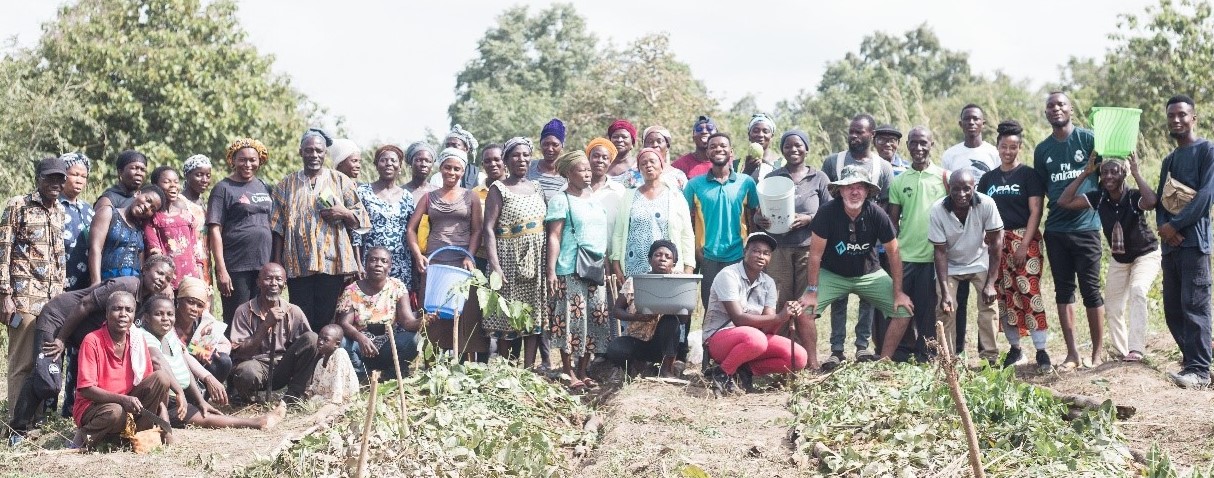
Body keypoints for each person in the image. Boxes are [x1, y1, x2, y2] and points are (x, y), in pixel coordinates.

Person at [798, 165, 915, 366]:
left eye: (860, 187)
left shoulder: (877, 214)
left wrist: (898, 292)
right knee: (804, 311)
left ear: (867, 191)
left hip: (868, 274)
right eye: (849, 186)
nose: (854, 192)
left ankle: (884, 361)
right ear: (840, 190)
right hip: (832, 273)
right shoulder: (826, 213)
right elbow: (815, 255)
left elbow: (894, 254)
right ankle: (813, 365)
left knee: (904, 310)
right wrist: (812, 290)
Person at [37, 255, 175, 423]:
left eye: (167, 278)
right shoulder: (127, 285)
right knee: (47, 380)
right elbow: (85, 305)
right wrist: (60, 339)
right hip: (59, 318)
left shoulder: (147, 301)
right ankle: (19, 427)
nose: (162, 280)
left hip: (80, 329)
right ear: (145, 270)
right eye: (159, 273)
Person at [1058, 155, 1160, 362]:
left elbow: (1151, 202)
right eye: (1104, 172)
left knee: (1138, 290)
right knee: (1113, 307)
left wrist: (1137, 172)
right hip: (1120, 259)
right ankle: (1123, 352)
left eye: (1114, 171)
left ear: (1123, 174)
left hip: (1145, 255)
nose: (1109, 176)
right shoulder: (1099, 198)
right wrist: (1085, 173)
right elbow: (1064, 201)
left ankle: (1136, 349)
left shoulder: (1132, 197)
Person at [271, 128, 370, 332]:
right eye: (309, 150)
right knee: (300, 318)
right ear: (301, 152)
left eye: (318, 151)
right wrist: (278, 263)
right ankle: (304, 360)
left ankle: (324, 362)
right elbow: (277, 228)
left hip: (332, 264)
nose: (314, 155)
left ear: (325, 153)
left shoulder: (340, 181)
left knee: (327, 318)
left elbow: (361, 221)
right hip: (298, 264)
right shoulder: (285, 185)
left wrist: (343, 213)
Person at [1035, 92, 1106, 368]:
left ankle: (1097, 353)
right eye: (1051, 106)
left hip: (1087, 227)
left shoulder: (1088, 139)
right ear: (1046, 113)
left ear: (1071, 109)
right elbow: (1042, 193)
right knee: (1064, 291)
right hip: (1056, 230)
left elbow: (1108, 172)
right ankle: (1072, 354)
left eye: (1061, 104)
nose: (1056, 109)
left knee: (1091, 290)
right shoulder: (1042, 150)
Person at [139, 295, 285, 430]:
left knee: (206, 415)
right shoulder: (144, 336)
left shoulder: (169, 333)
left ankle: (259, 422)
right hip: (158, 400)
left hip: (177, 398)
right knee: (204, 419)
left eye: (170, 314)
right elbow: (158, 361)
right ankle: (258, 422)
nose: (165, 318)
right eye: (159, 314)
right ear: (146, 317)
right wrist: (179, 393)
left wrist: (200, 401)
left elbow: (184, 367)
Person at [975, 120, 1051, 371]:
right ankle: (1015, 348)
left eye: (1013, 147)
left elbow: (1035, 211)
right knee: (1003, 296)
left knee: (1029, 293)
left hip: (1023, 240)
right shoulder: (988, 179)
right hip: (997, 242)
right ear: (997, 147)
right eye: (1004, 146)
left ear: (1019, 147)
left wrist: (1023, 245)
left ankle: (1042, 351)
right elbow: (981, 212)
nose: (1008, 151)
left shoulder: (1029, 175)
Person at [821, 114, 895, 368]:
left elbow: (886, 202)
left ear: (871, 135)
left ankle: (862, 347)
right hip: (837, 238)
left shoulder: (882, 167)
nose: (854, 136)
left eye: (860, 132)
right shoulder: (833, 161)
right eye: (851, 131)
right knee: (839, 297)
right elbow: (826, 197)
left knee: (867, 295)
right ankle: (836, 349)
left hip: (869, 239)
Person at [1, 157, 67, 427]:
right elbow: (3, 250)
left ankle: (35, 420)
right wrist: (4, 295)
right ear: (38, 178)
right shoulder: (18, 205)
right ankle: (15, 424)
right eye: (49, 177)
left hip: (52, 301)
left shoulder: (59, 210)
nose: (55, 183)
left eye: (59, 178)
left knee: (43, 360)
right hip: (24, 296)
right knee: (23, 362)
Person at [1155, 95, 1214, 389]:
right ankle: (1197, 361)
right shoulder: (1169, 160)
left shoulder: (1207, 150)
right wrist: (1164, 228)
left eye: (1181, 115)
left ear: (1194, 118)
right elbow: (1160, 202)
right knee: (1173, 309)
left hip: (1195, 244)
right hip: (1171, 247)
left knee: (1195, 306)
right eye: (1171, 116)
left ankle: (1199, 371)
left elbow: (1205, 197)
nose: (1176, 120)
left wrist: (1175, 226)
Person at [407, 147, 487, 355]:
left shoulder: (471, 197)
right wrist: (418, 255)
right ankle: (431, 360)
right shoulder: (428, 197)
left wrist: (469, 255)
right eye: (447, 168)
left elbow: (477, 230)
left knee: (463, 311)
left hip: (462, 262)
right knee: (434, 311)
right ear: (440, 169)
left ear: (463, 171)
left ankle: (463, 362)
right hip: (435, 262)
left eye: (457, 169)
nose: (452, 172)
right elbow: (411, 229)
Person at [545, 151, 615, 390]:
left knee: (594, 319)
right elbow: (554, 237)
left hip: (594, 267)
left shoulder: (593, 197)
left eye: (588, 169)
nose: (587, 173)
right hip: (569, 267)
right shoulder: (560, 200)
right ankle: (568, 371)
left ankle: (584, 370)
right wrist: (551, 271)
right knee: (571, 321)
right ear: (568, 174)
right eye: (581, 170)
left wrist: (605, 265)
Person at [69, 291, 174, 449]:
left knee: (161, 378)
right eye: (117, 309)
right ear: (107, 313)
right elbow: (86, 389)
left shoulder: (137, 339)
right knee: (115, 412)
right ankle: (85, 437)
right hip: (97, 406)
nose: (123, 314)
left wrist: (164, 420)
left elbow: (149, 387)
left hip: (128, 403)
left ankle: (135, 435)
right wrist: (122, 400)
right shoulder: (92, 340)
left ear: (134, 314)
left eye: (129, 310)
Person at [705, 232, 808, 393]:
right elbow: (738, 319)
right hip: (719, 338)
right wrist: (778, 316)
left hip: (753, 342)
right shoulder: (728, 275)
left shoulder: (768, 283)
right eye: (756, 251)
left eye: (766, 253)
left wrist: (784, 315)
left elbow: (768, 328)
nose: (761, 256)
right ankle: (722, 373)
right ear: (745, 252)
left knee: (799, 357)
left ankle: (745, 371)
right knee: (756, 339)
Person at [940, 104, 1001, 356]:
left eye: (976, 119)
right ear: (961, 123)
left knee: (988, 298)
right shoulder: (951, 154)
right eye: (967, 119)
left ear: (983, 123)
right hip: (958, 229)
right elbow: (947, 187)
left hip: (984, 226)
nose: (972, 123)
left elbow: (997, 182)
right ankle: (954, 353)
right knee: (956, 303)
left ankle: (988, 353)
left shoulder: (992, 152)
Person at [482, 137, 548, 367]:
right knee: (506, 316)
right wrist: (496, 267)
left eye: (525, 155)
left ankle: (528, 370)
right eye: (515, 156)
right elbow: (488, 228)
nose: (521, 159)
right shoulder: (498, 189)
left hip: (536, 261)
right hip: (507, 259)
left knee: (531, 314)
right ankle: (506, 370)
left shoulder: (537, 187)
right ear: (507, 161)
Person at [885, 127, 949, 363]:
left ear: (931, 144)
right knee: (902, 307)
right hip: (906, 255)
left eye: (923, 143)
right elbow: (892, 221)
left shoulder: (944, 178)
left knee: (928, 309)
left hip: (934, 256)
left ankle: (928, 354)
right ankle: (902, 352)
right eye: (913, 143)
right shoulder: (900, 181)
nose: (918, 148)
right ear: (908, 146)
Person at [930, 170, 1004, 364]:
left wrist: (990, 284)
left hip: (979, 261)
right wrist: (945, 292)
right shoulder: (938, 209)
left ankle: (990, 358)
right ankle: (948, 359)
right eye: (956, 189)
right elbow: (940, 252)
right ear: (949, 189)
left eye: (966, 189)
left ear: (974, 188)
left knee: (989, 305)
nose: (961, 194)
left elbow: (996, 244)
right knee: (945, 308)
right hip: (951, 266)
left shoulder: (987, 204)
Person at [684, 133, 760, 308]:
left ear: (731, 151)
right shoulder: (694, 184)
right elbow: (684, 220)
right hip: (707, 256)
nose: (718, 149)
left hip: (738, 255)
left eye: (723, 146)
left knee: (740, 307)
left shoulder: (746, 183)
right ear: (708, 153)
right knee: (711, 307)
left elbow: (754, 217)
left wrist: (752, 249)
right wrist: (694, 250)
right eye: (713, 146)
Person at [755, 130, 831, 305]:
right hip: (778, 249)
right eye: (787, 146)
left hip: (809, 250)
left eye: (798, 145)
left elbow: (830, 213)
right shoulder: (772, 178)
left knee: (804, 302)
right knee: (778, 299)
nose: (793, 149)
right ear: (782, 150)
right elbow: (759, 213)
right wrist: (759, 221)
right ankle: (779, 333)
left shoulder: (819, 178)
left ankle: (800, 333)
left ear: (807, 148)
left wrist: (809, 219)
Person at [229, 262, 320, 403]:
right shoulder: (244, 311)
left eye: (278, 279)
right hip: (256, 365)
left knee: (312, 339)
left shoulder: (293, 311)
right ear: (258, 282)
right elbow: (240, 353)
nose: (273, 283)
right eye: (268, 279)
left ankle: (293, 395)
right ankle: (250, 398)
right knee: (245, 372)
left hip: (282, 366)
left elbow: (309, 346)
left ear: (285, 283)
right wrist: (265, 325)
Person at [209, 138, 274, 326]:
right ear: (233, 160)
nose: (248, 164)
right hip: (237, 265)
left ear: (260, 161)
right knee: (238, 316)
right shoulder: (223, 188)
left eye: (252, 160)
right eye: (242, 159)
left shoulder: (264, 186)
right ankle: (235, 354)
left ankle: (257, 354)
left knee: (262, 315)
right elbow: (215, 229)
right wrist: (221, 269)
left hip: (263, 264)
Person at [336, 247, 423, 380]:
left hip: (386, 349)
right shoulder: (352, 290)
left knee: (413, 340)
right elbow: (344, 323)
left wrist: (423, 321)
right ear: (365, 264)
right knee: (341, 342)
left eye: (384, 261)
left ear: (389, 267)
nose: (378, 264)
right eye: (373, 260)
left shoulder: (397, 287)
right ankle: (360, 376)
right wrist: (361, 338)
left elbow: (407, 322)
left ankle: (389, 376)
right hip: (359, 348)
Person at [611, 147, 696, 278]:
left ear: (661, 166)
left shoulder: (675, 197)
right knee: (634, 299)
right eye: (643, 163)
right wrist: (616, 264)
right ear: (639, 169)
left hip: (668, 270)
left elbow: (687, 235)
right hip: (633, 268)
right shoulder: (628, 196)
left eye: (652, 161)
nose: (648, 165)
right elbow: (618, 233)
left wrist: (689, 267)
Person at [607, 240, 687, 378]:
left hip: (662, 343)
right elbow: (617, 310)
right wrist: (637, 317)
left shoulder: (678, 283)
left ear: (673, 263)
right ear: (650, 260)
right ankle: (635, 368)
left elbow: (684, 319)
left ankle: (667, 369)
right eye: (658, 255)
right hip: (637, 340)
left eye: (668, 257)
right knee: (616, 348)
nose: (662, 259)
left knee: (670, 320)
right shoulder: (635, 281)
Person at [355, 144, 417, 290]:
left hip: (400, 264)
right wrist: (358, 262)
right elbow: (356, 230)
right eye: (384, 160)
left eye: (393, 161)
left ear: (400, 166)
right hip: (371, 264)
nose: (389, 163)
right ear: (376, 165)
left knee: (398, 306)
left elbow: (410, 231)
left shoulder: (407, 197)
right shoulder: (363, 192)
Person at [88, 185, 168, 284]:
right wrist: (95, 282)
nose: (147, 207)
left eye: (152, 209)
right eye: (148, 200)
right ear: (137, 193)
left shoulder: (140, 230)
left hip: (133, 287)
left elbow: (141, 263)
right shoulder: (109, 213)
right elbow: (95, 248)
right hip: (107, 284)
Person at [144, 166, 205, 287]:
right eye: (167, 182)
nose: (173, 185)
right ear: (155, 185)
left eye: (176, 182)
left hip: (191, 282)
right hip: (166, 283)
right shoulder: (153, 218)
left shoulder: (186, 216)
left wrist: (201, 281)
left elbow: (195, 252)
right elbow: (155, 253)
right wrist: (164, 284)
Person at [174, 277, 232, 384]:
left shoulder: (204, 319)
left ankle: (202, 397)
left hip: (197, 373)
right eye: (190, 302)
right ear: (179, 299)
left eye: (200, 305)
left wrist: (209, 350)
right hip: (175, 371)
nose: (194, 309)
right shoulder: (168, 318)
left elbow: (227, 344)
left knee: (223, 361)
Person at [585, 138, 629, 276]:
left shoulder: (619, 191)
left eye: (605, 157)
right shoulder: (573, 188)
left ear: (610, 162)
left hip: (612, 261)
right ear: (588, 158)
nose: (600, 160)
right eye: (596, 156)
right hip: (581, 260)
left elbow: (624, 228)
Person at [59, 153, 95, 292]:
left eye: (83, 176)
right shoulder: (52, 206)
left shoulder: (88, 209)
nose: (79, 180)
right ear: (63, 175)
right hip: (58, 282)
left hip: (84, 283)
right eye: (74, 174)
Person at [307, 324, 359, 405]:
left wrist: (335, 402)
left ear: (337, 344)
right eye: (319, 338)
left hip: (343, 398)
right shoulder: (320, 362)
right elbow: (316, 386)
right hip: (325, 398)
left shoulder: (340, 354)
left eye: (326, 340)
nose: (320, 342)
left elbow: (338, 381)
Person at [179, 155, 211, 282]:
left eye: (208, 175)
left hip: (205, 261)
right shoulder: (179, 202)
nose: (204, 179)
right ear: (187, 175)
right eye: (199, 175)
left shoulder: (203, 203)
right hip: (189, 262)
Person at [529, 118, 569, 200]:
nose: (550, 149)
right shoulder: (528, 168)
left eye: (555, 145)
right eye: (546, 144)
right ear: (540, 144)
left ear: (562, 145)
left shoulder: (569, 173)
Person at [641, 125, 688, 190]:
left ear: (667, 146)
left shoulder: (678, 176)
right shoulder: (633, 175)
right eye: (650, 142)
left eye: (659, 141)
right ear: (644, 146)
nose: (655, 145)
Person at [435, 124, 482, 189]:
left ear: (466, 149)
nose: (451, 148)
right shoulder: (437, 178)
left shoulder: (478, 176)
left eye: (455, 145)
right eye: (448, 145)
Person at [741, 113, 780, 181]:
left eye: (765, 131)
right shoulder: (737, 165)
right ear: (749, 135)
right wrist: (746, 171)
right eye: (756, 131)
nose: (760, 135)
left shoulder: (781, 164)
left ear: (772, 136)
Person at [606, 120, 642, 188]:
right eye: (615, 137)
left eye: (624, 137)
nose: (619, 140)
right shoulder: (600, 165)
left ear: (632, 143)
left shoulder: (640, 166)